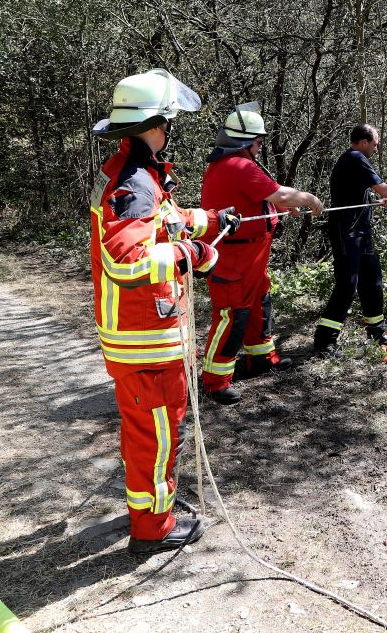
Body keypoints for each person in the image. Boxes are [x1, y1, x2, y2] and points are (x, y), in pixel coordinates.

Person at [90, 69, 239, 554]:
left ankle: (151, 511)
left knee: (152, 429)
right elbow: (125, 259)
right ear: (152, 124)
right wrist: (189, 256)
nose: (169, 129)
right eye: (168, 122)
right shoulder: (135, 183)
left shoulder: (138, 174)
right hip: (143, 337)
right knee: (155, 433)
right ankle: (152, 529)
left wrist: (212, 221)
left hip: (147, 333)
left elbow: (166, 221)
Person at [199, 103, 324, 405]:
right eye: (258, 142)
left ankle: (261, 358)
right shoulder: (237, 165)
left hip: (252, 254)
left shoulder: (235, 165)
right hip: (233, 257)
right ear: (245, 142)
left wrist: (279, 206)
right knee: (233, 315)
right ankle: (214, 381)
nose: (260, 147)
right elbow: (279, 192)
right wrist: (308, 199)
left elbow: (259, 198)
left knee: (258, 304)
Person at [313, 123, 387, 356]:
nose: (376, 148)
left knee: (373, 280)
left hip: (362, 231)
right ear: (362, 142)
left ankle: (377, 332)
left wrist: (376, 202)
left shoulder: (356, 161)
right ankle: (324, 341)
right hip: (346, 231)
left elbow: (358, 194)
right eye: (374, 143)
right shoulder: (354, 157)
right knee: (347, 284)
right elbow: (382, 187)